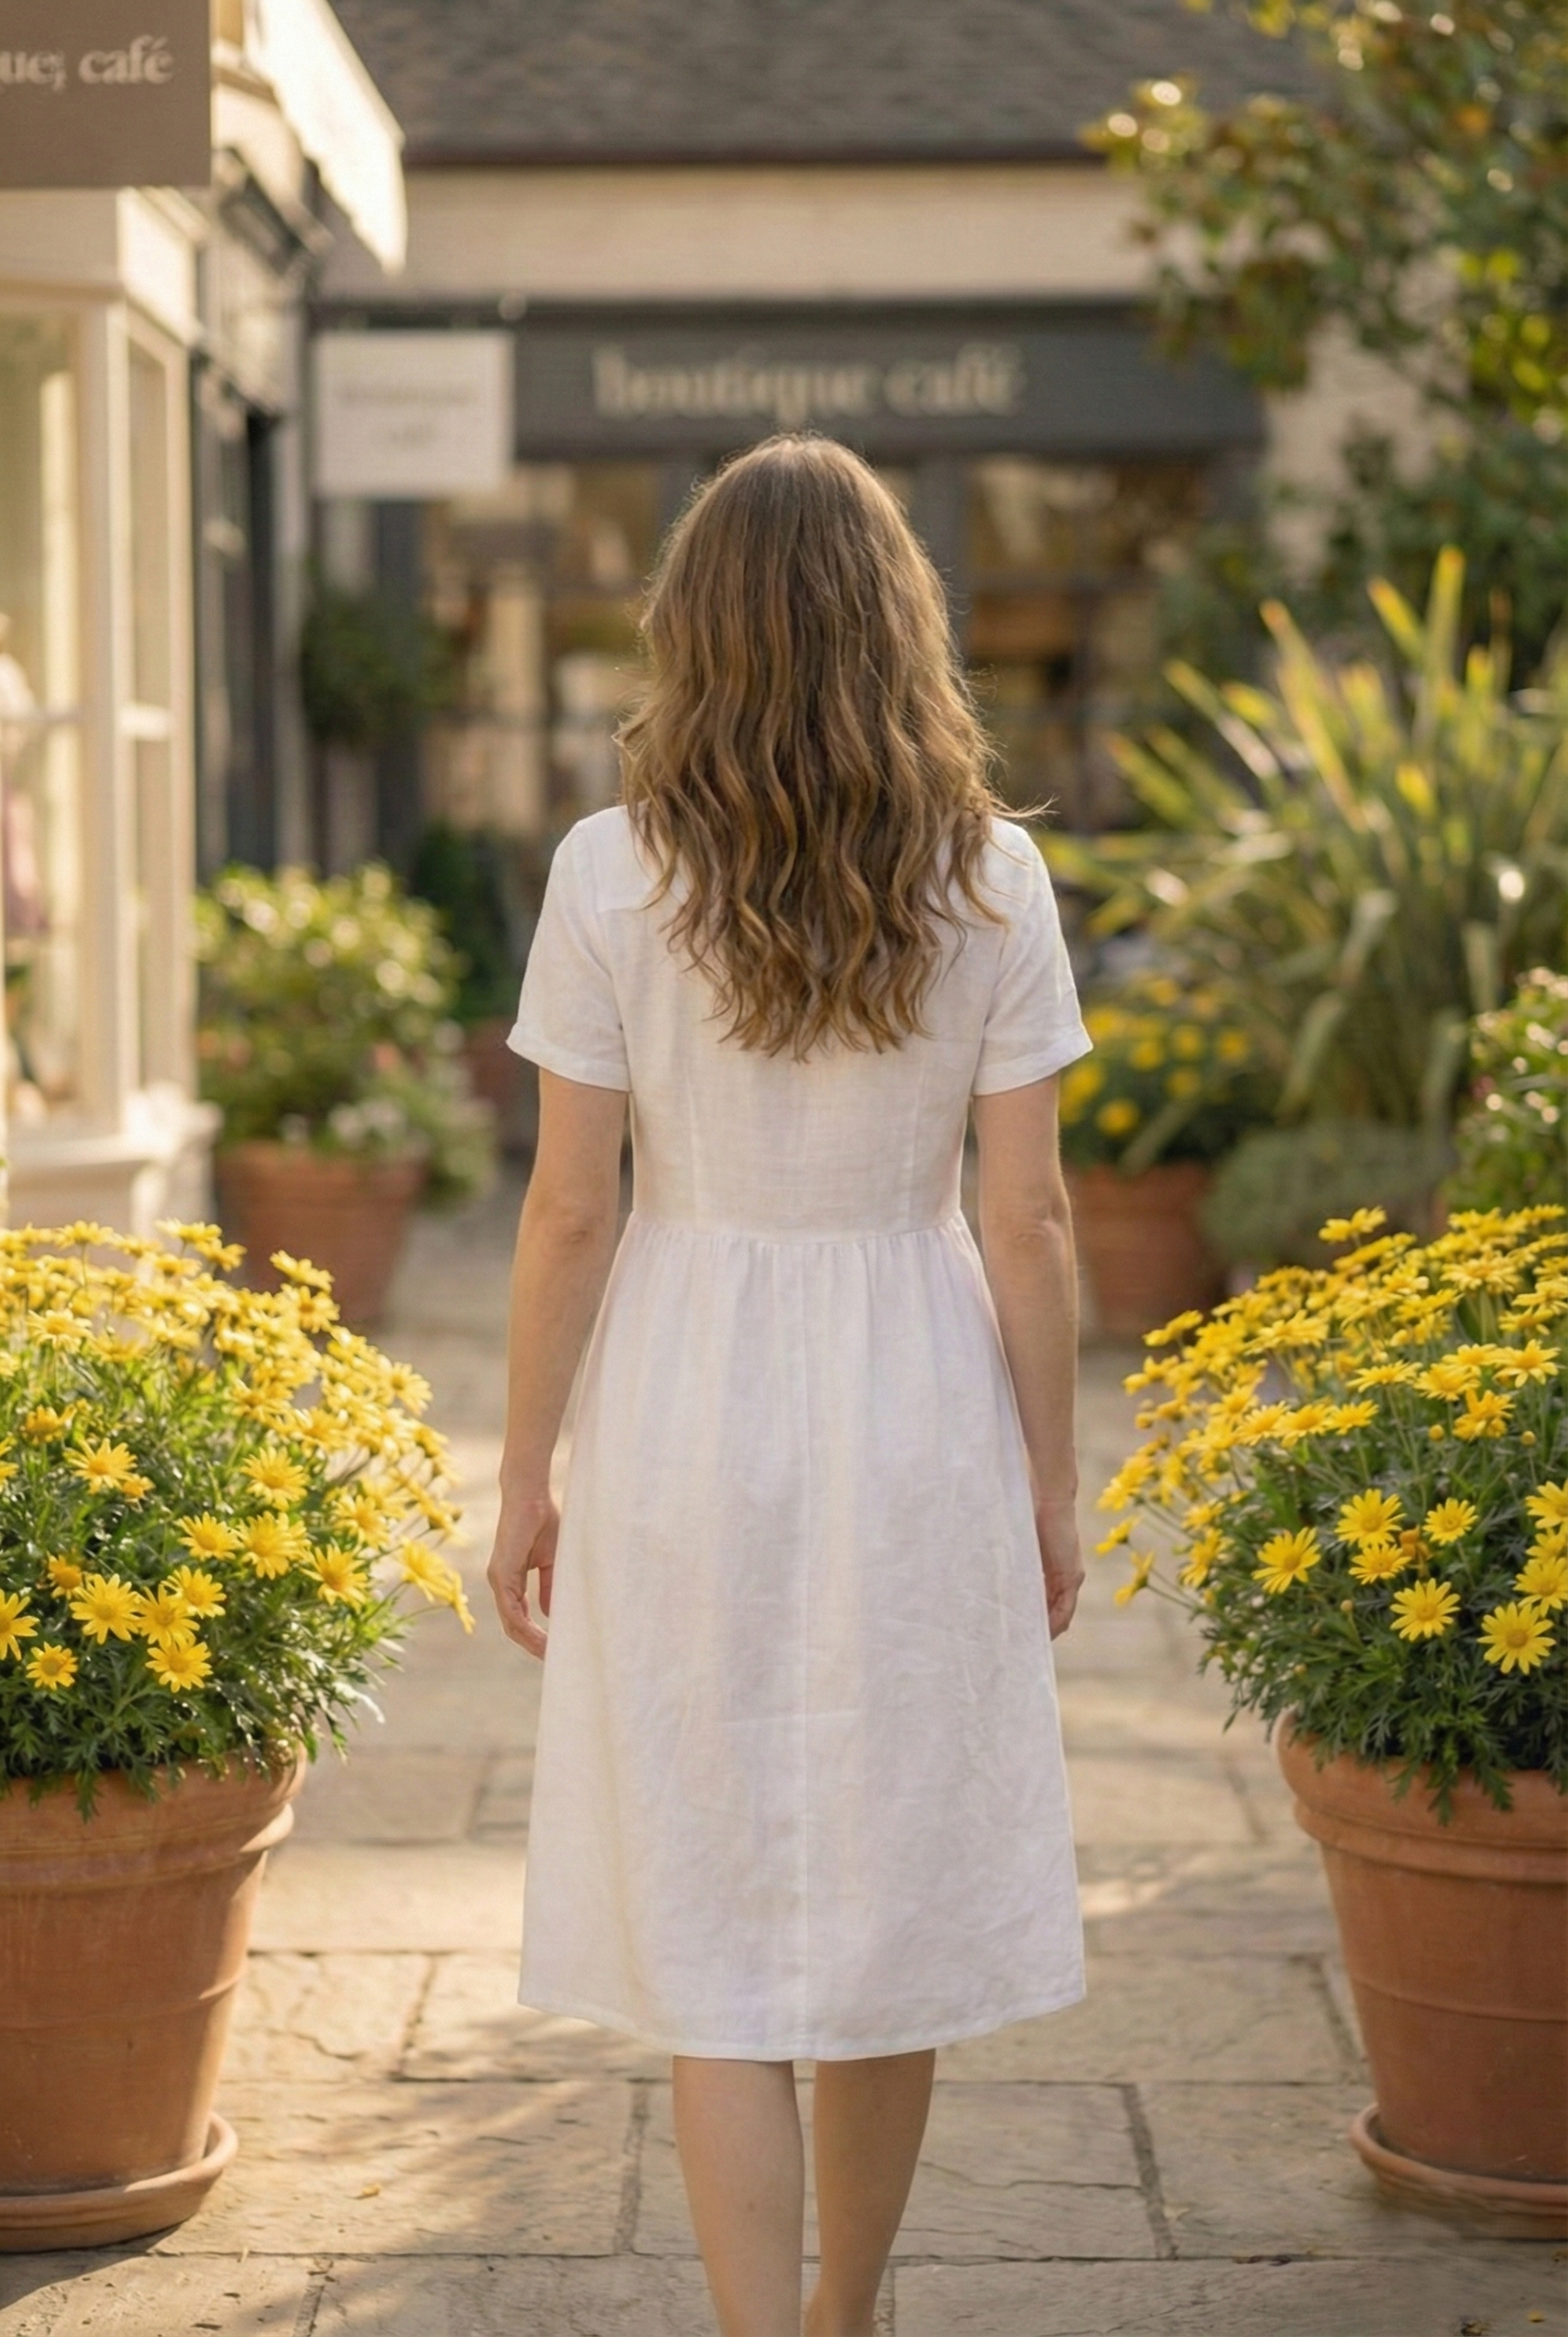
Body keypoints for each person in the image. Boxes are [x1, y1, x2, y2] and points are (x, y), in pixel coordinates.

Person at [487, 434, 1091, 2337]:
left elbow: (571, 1211)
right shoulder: (989, 872)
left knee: (708, 1900)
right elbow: (1035, 1220)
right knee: (884, 1896)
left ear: (694, 629)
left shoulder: (608, 868)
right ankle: (843, 2324)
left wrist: (523, 1473)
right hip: (912, 1400)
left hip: (678, 1398)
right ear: (898, 625)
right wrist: (1051, 1488)